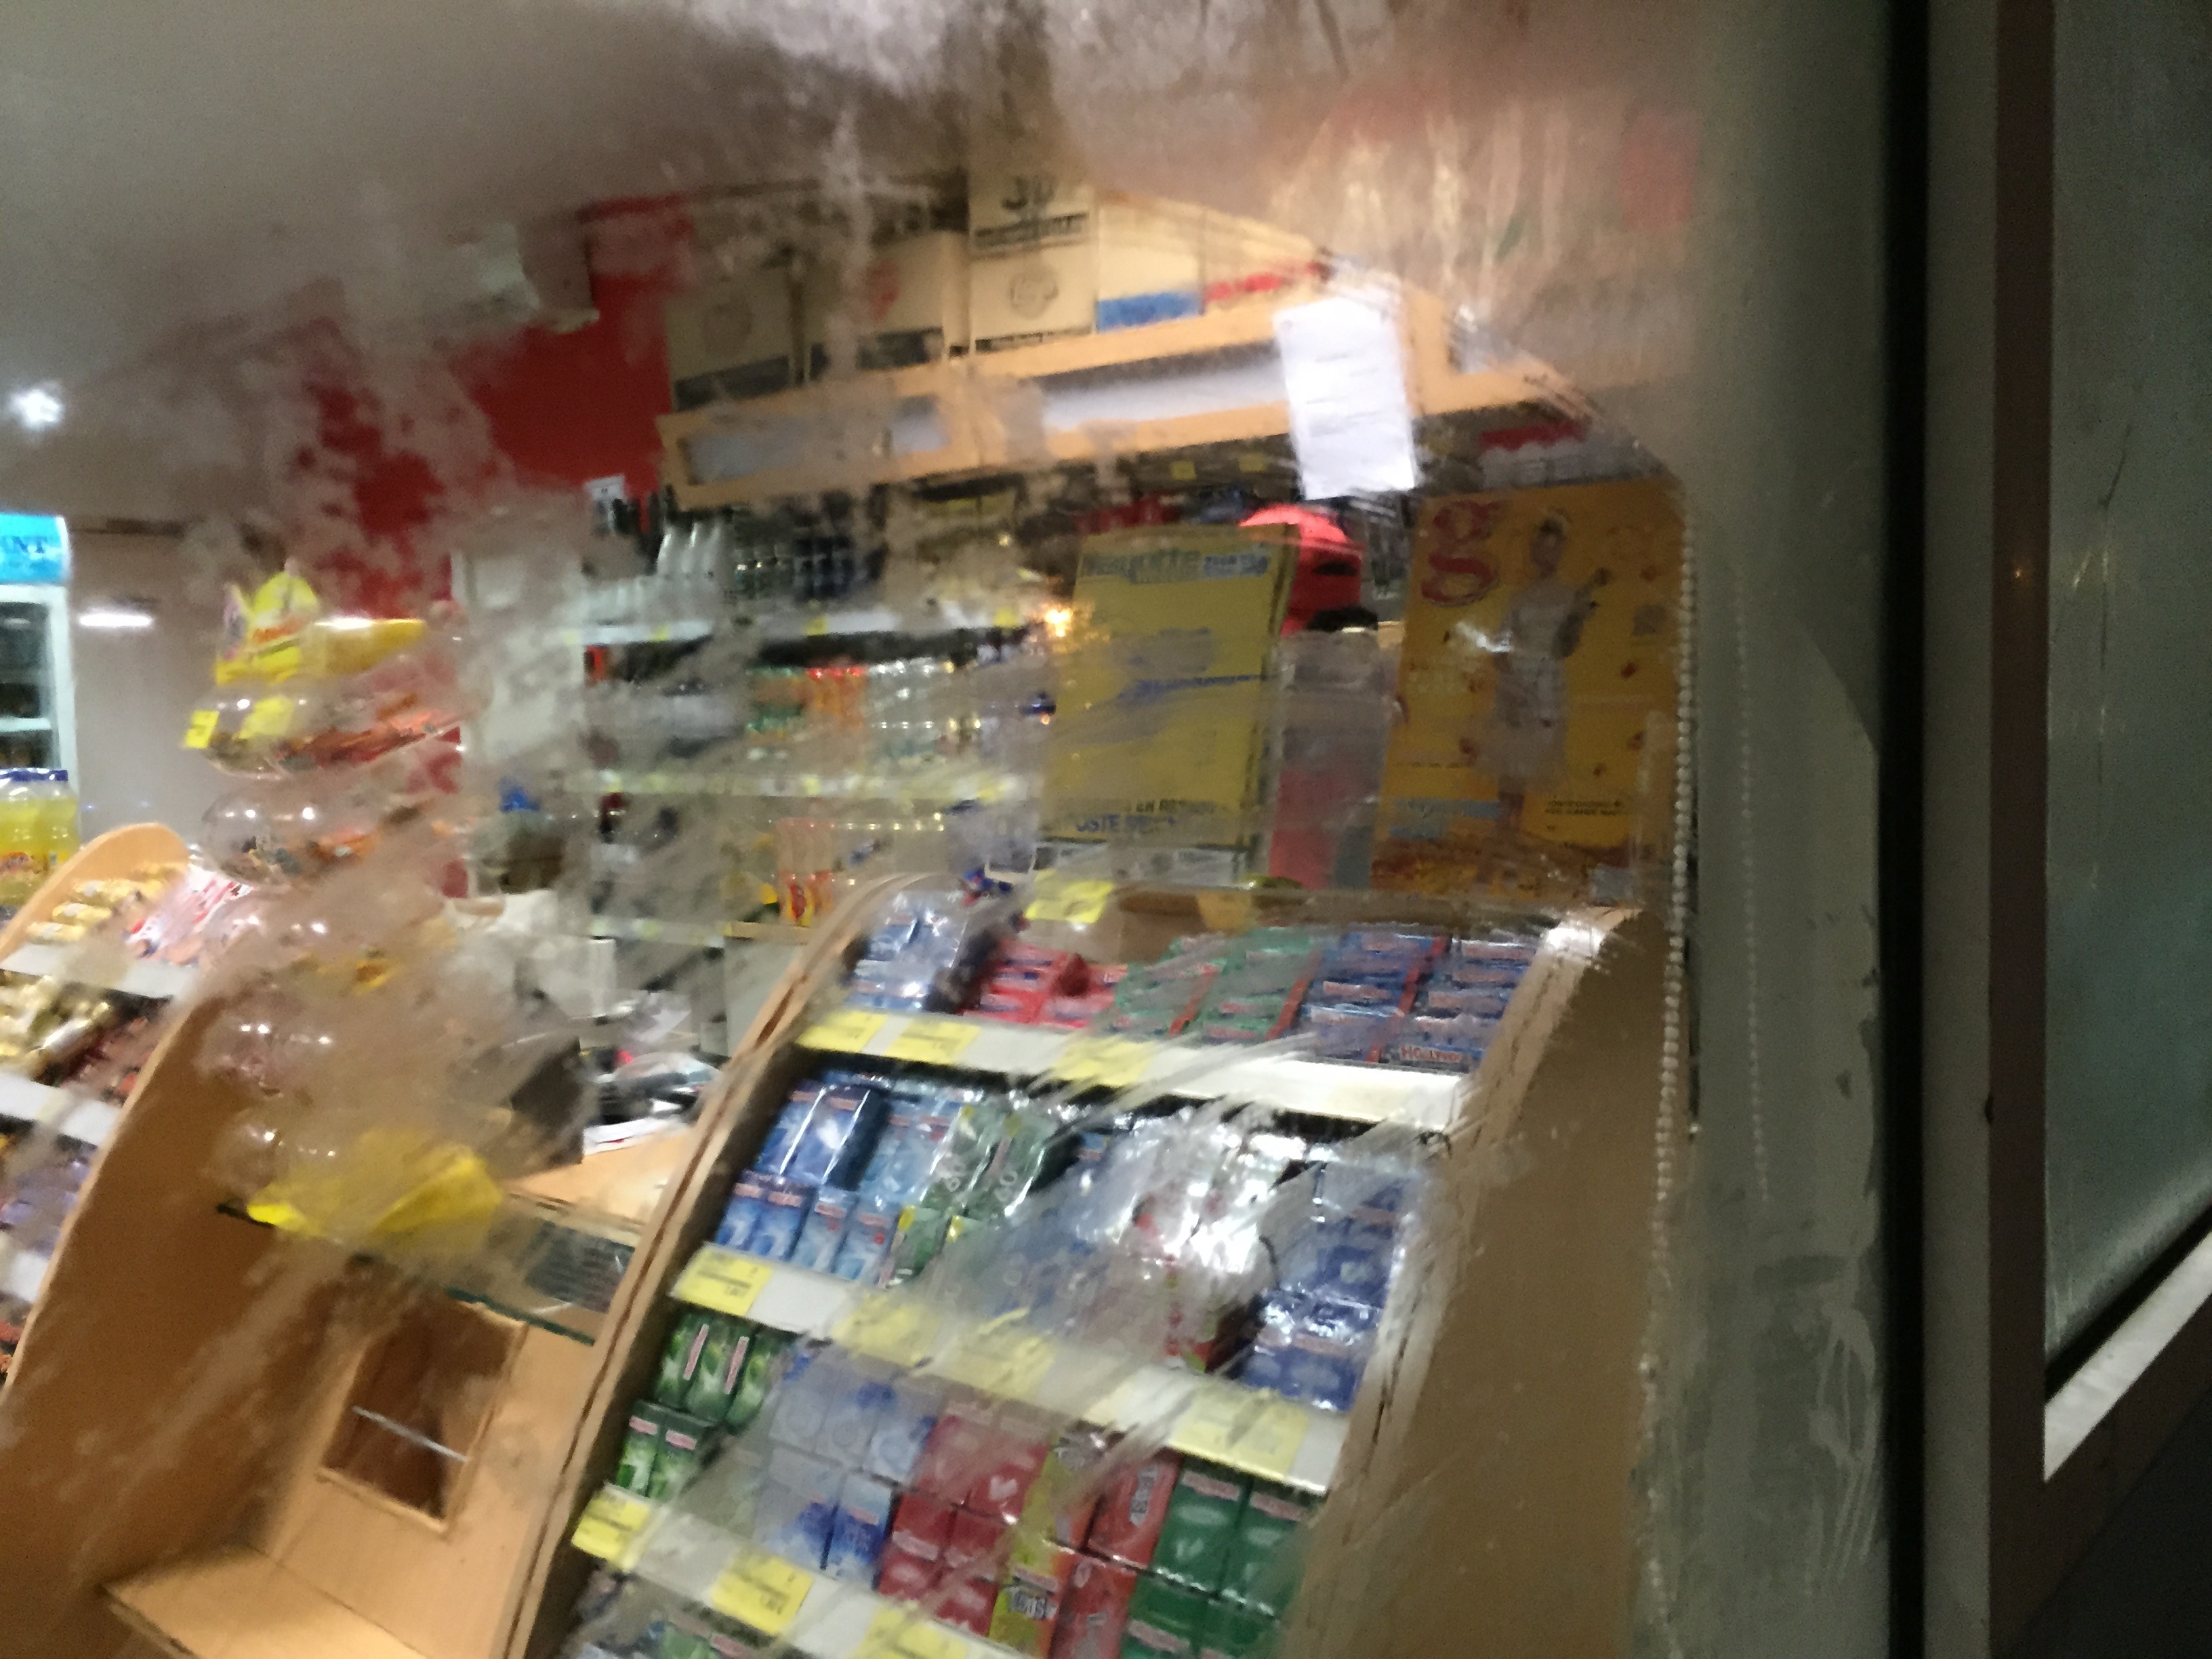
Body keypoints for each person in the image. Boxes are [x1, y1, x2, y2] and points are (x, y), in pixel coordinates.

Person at [1460, 513, 1595, 833]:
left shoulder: (1570, 596)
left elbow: (1567, 646)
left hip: (1547, 683)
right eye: (1541, 547)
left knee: (1532, 758)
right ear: (1533, 550)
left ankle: (1514, 830)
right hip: (1517, 681)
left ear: (1562, 550)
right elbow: (1500, 646)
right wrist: (1512, 683)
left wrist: (1577, 618)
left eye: (1554, 547)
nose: (1547, 554)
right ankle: (1503, 831)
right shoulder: (1520, 597)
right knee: (1510, 761)